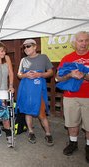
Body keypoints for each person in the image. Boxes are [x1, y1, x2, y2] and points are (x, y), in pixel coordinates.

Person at [55, 31, 89, 163]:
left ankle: (88, 146)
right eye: (81, 41)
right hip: (70, 96)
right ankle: (73, 143)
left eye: (86, 40)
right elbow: (58, 78)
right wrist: (70, 75)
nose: (84, 43)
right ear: (75, 43)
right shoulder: (67, 58)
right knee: (71, 122)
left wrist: (84, 75)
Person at [17, 39, 54, 146]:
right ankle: (31, 131)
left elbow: (51, 72)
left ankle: (48, 133)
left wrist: (40, 75)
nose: (26, 49)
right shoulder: (23, 60)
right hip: (27, 90)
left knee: (41, 113)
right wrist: (25, 75)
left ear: (35, 47)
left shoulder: (43, 57)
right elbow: (19, 74)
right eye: (24, 47)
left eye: (28, 46)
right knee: (27, 112)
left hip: (38, 91)